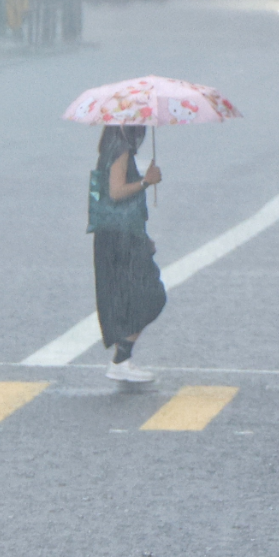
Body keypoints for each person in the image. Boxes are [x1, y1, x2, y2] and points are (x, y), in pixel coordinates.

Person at [90, 125, 166, 383]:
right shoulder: (121, 150)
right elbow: (116, 191)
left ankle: (122, 359)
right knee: (152, 295)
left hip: (115, 234)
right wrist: (147, 181)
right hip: (121, 237)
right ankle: (121, 360)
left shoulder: (111, 144)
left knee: (127, 296)